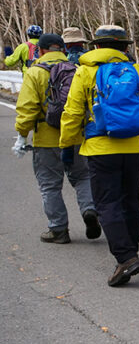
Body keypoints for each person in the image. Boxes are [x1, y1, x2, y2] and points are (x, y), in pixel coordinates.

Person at [59, 25, 139, 287]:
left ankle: (126, 257)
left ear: (96, 47)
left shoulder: (85, 72)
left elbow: (72, 113)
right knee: (130, 199)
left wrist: (67, 146)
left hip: (100, 147)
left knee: (107, 203)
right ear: (125, 48)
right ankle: (132, 250)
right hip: (134, 147)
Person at [13, 33, 99, 244]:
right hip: (76, 137)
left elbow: (27, 108)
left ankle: (59, 229)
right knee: (82, 177)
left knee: (50, 186)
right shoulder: (77, 70)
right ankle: (89, 210)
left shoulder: (34, 72)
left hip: (46, 138)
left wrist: (22, 135)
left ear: (40, 51)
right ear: (63, 49)